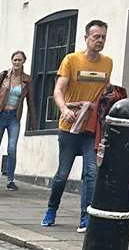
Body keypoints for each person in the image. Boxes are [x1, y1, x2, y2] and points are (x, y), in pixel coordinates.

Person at [45, 20, 114, 233]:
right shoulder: (71, 60)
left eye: (103, 37)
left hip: (91, 128)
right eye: (96, 37)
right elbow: (58, 90)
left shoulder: (107, 63)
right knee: (62, 174)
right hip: (69, 126)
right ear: (86, 39)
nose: (100, 41)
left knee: (91, 173)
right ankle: (51, 209)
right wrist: (64, 109)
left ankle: (86, 217)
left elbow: (105, 93)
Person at [0, 51, 32, 190]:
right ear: (11, 61)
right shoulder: (3, 76)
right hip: (1, 115)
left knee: (12, 148)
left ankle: (10, 179)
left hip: (14, 117)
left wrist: (33, 120)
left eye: (19, 60)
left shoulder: (26, 80)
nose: (17, 62)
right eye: (15, 60)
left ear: (24, 61)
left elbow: (30, 101)